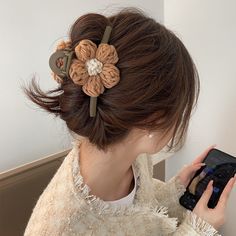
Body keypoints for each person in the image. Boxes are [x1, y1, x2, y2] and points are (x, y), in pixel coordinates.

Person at [22, 6, 235, 236]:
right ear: (152, 120)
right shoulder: (59, 229)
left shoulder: (132, 151)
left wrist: (176, 190)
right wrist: (198, 230)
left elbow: (136, 215)